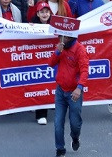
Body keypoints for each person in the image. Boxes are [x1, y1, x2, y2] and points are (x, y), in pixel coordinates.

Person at [48, 28, 89, 156]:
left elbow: (85, 70)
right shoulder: (60, 48)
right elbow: (50, 64)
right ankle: (60, 149)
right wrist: (57, 52)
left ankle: (75, 137)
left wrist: (79, 87)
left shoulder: (80, 49)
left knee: (75, 123)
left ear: (70, 37)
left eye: (64, 37)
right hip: (60, 91)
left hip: (74, 93)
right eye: (60, 36)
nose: (61, 39)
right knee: (57, 123)